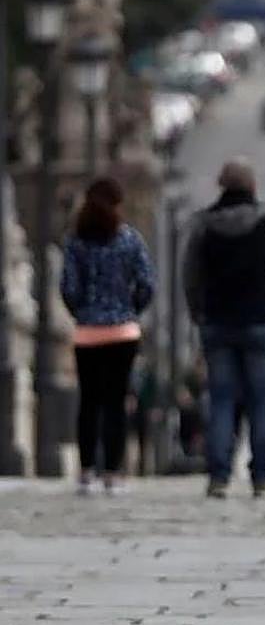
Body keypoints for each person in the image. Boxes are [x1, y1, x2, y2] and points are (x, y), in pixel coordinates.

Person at [183, 158, 265, 499]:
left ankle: (218, 475)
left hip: (216, 321)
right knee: (259, 402)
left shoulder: (203, 225)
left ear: (221, 186)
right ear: (252, 186)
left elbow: (190, 273)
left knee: (222, 400)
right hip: (257, 321)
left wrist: (197, 310)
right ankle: (262, 477)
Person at [60, 177, 155, 496]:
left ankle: (86, 472)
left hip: (88, 332)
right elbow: (146, 283)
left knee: (88, 402)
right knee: (115, 403)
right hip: (122, 332)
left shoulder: (76, 242)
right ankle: (113, 474)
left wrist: (82, 313)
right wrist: (130, 310)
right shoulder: (129, 240)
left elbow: (68, 287)